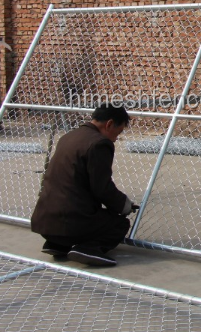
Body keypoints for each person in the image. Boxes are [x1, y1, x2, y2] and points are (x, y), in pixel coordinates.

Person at [31, 103, 135, 266]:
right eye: (118, 132)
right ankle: (88, 248)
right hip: (71, 223)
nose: (116, 138)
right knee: (119, 224)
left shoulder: (69, 136)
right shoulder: (99, 143)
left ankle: (57, 244)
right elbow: (102, 188)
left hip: (45, 222)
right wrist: (124, 205)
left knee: (84, 208)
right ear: (109, 124)